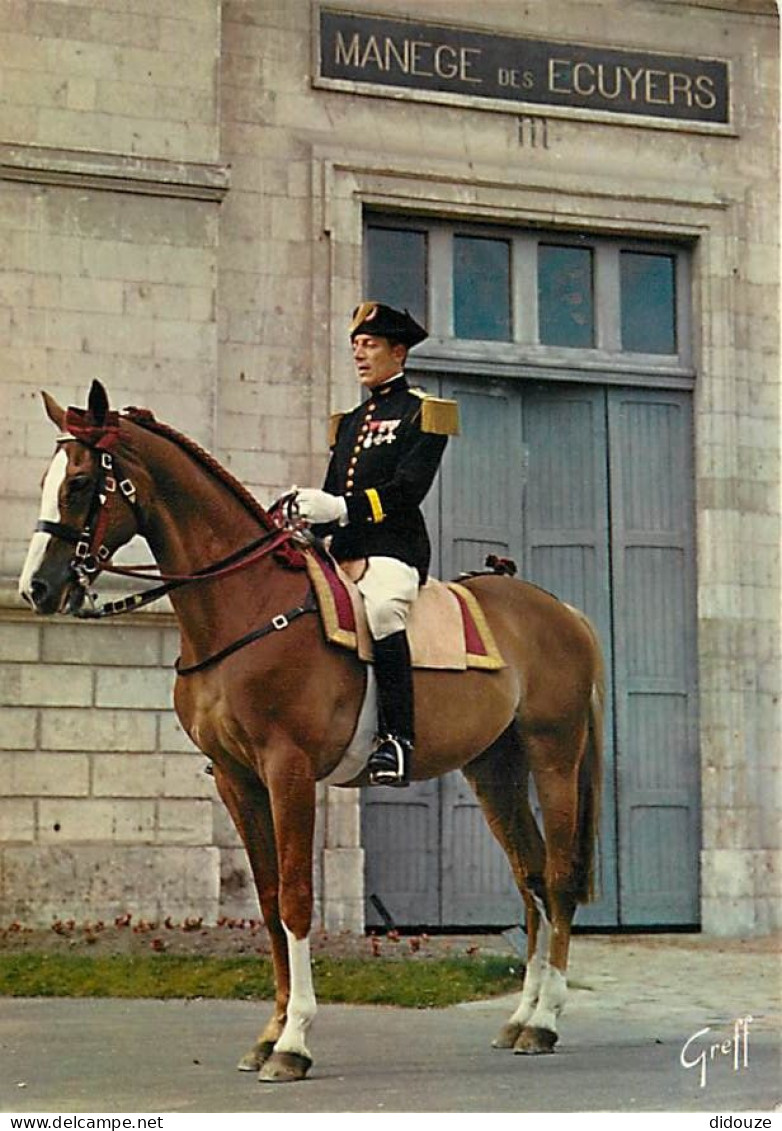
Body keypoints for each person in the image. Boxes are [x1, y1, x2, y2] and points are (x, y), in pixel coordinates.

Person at [294, 302, 459, 787]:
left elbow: (408, 491)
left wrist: (342, 510)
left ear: (398, 352)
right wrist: (305, 522)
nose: (360, 356)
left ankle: (396, 741)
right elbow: (330, 490)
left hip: (393, 548)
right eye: (355, 346)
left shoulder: (424, 413)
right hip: (341, 551)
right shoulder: (349, 422)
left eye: (370, 346)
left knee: (385, 611)